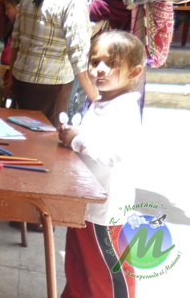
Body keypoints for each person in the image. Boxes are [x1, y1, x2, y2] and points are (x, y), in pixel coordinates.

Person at [58, 30, 144, 298]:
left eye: (112, 63)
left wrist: (76, 140)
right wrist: (72, 135)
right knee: (78, 265)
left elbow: (114, 154)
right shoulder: (101, 101)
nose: (100, 69)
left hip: (105, 212)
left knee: (106, 272)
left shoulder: (125, 109)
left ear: (134, 71)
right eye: (95, 62)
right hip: (85, 203)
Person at [10, 0, 99, 129]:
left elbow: (15, 39)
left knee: (24, 137)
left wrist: (10, 78)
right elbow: (79, 56)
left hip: (21, 79)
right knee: (44, 142)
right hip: (52, 86)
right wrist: (96, 97)